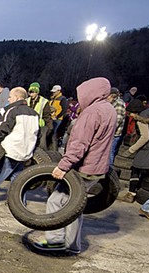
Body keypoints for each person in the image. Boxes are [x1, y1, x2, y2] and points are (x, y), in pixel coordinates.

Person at [34, 77, 116, 255]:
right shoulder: (109, 109)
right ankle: (72, 245)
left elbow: (80, 144)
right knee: (75, 206)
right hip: (97, 168)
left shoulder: (92, 112)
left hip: (83, 168)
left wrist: (64, 166)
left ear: (90, 92)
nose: (80, 99)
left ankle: (55, 242)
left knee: (56, 202)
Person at [117, 99, 149, 203]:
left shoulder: (141, 117)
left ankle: (131, 194)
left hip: (147, 148)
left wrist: (131, 150)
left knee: (135, 169)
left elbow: (145, 137)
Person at [27, 82, 53, 152]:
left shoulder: (44, 101)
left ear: (37, 92)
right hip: (28, 125)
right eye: (30, 92)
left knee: (39, 146)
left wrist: (49, 128)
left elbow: (47, 115)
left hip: (39, 126)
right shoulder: (27, 101)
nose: (31, 94)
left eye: (33, 92)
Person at [107, 87, 126, 167]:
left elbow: (117, 120)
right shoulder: (113, 103)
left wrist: (108, 131)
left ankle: (109, 173)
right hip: (110, 132)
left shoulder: (119, 103)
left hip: (113, 134)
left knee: (109, 153)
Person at [49, 84, 69, 150]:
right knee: (50, 132)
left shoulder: (63, 99)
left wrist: (57, 116)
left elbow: (64, 109)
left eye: (54, 92)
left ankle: (54, 147)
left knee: (54, 133)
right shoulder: (52, 98)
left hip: (57, 119)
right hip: (50, 118)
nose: (53, 93)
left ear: (59, 91)